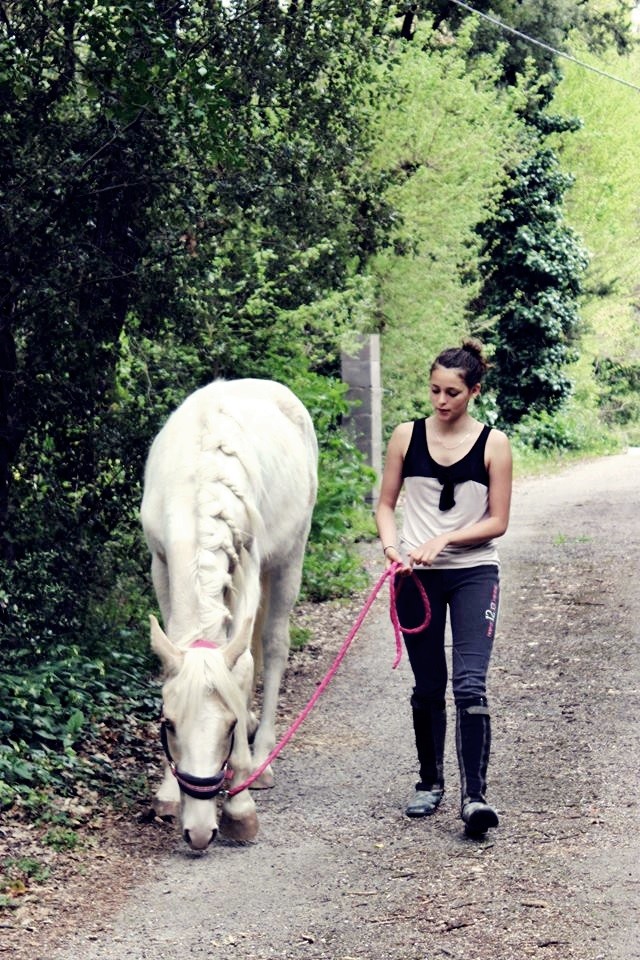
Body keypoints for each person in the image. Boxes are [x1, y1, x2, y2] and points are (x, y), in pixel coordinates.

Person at [375, 339, 512, 837]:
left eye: (452, 392)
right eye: (434, 390)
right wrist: (393, 548)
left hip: (475, 571)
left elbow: (498, 521)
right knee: (428, 684)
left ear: (473, 391)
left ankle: (474, 797)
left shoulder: (494, 443)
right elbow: (386, 504)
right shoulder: (405, 437)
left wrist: (447, 537)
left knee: (469, 685)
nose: (441, 400)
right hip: (415, 576)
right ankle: (429, 782)